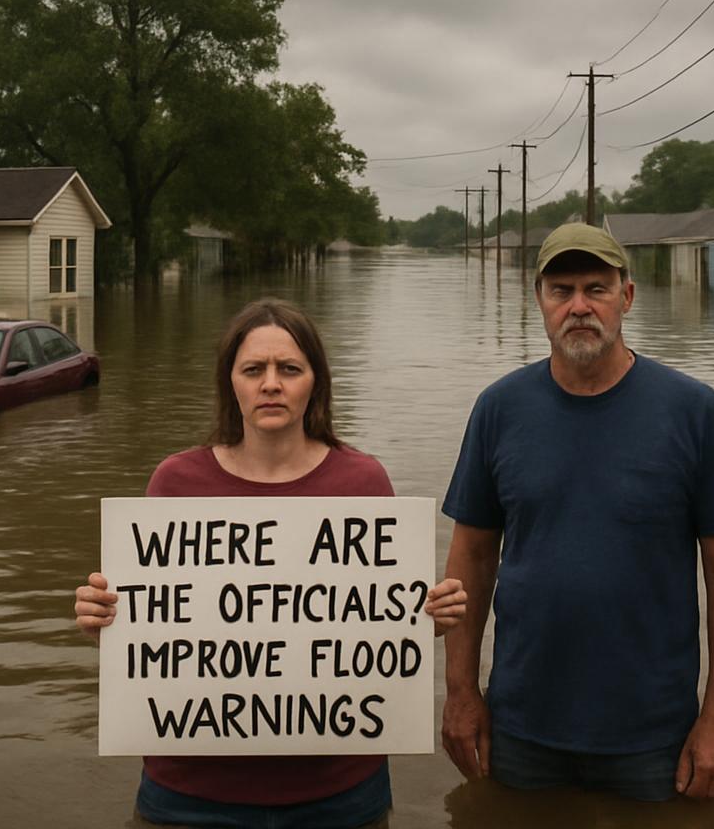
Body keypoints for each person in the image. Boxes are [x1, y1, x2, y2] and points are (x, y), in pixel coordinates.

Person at [75, 298, 468, 828]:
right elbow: (156, 631)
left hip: (339, 792)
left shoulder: (364, 482)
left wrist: (428, 619)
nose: (271, 384)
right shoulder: (174, 482)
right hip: (189, 793)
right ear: (230, 382)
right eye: (253, 369)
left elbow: (380, 629)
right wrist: (104, 620)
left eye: (289, 369)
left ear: (315, 382)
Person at [440, 224, 714, 802]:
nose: (579, 306)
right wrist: (461, 692)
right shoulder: (499, 409)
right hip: (520, 726)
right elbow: (472, 555)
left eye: (597, 288)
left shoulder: (694, 411)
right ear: (539, 299)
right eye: (561, 290)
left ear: (627, 297)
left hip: (656, 737)